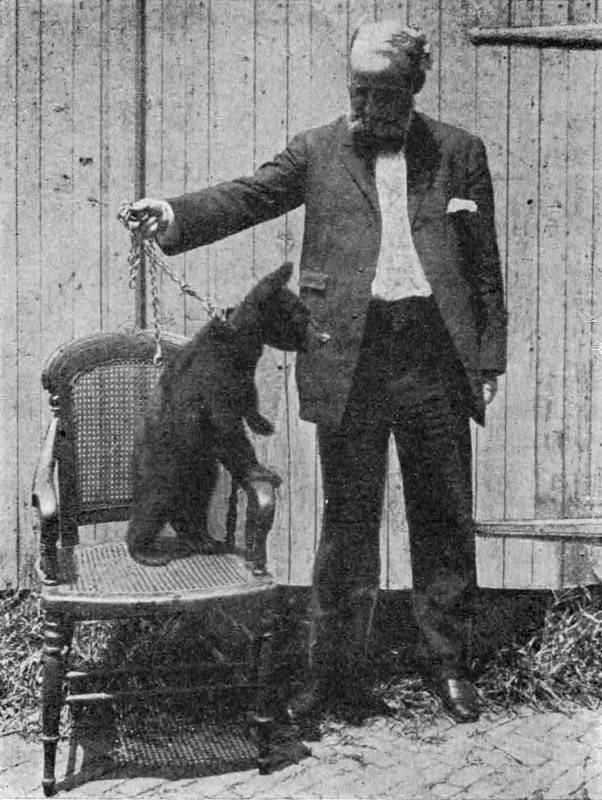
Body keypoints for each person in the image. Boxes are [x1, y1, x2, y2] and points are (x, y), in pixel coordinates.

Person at [128, 20, 507, 726]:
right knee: (349, 523)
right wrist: (175, 214)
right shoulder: (319, 149)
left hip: (432, 357)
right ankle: (332, 675)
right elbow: (249, 195)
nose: (366, 103)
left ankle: (449, 665)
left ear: (414, 85)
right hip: (349, 357)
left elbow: (484, 270)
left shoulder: (459, 151)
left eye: (382, 89)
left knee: (443, 517)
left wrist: (487, 359)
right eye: (357, 87)